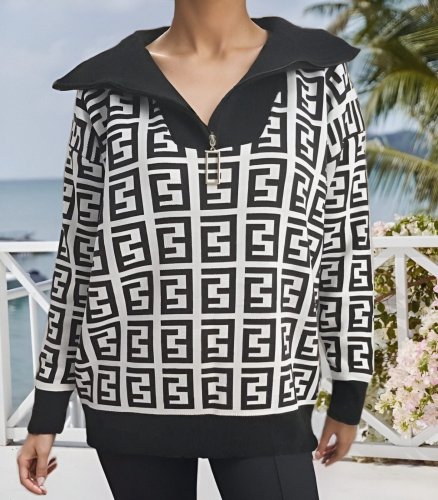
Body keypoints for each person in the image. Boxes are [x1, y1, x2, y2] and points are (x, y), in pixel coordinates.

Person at [17, 1, 375, 499]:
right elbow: (77, 255)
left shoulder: (319, 80)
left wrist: (350, 388)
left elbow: (346, 244)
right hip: (130, 394)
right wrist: (48, 409)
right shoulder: (105, 90)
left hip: (267, 393)